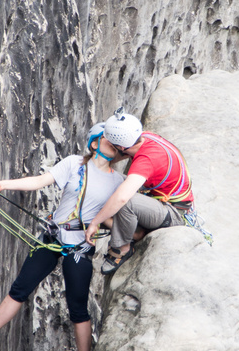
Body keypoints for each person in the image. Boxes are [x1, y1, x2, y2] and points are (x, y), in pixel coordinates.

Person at [0, 123, 124, 351]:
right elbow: (39, 181)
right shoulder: (73, 164)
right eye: (107, 139)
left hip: (79, 247)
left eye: (116, 143)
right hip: (52, 235)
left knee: (77, 309)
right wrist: (4, 184)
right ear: (95, 142)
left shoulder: (117, 183)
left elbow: (112, 217)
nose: (112, 145)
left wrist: (102, 223)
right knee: (20, 289)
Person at [83, 111, 194, 275]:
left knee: (126, 199)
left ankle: (122, 248)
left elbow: (122, 198)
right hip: (163, 201)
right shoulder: (144, 138)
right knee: (111, 180)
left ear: (121, 146)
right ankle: (133, 231)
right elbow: (120, 156)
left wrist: (95, 222)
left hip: (174, 213)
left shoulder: (146, 160)